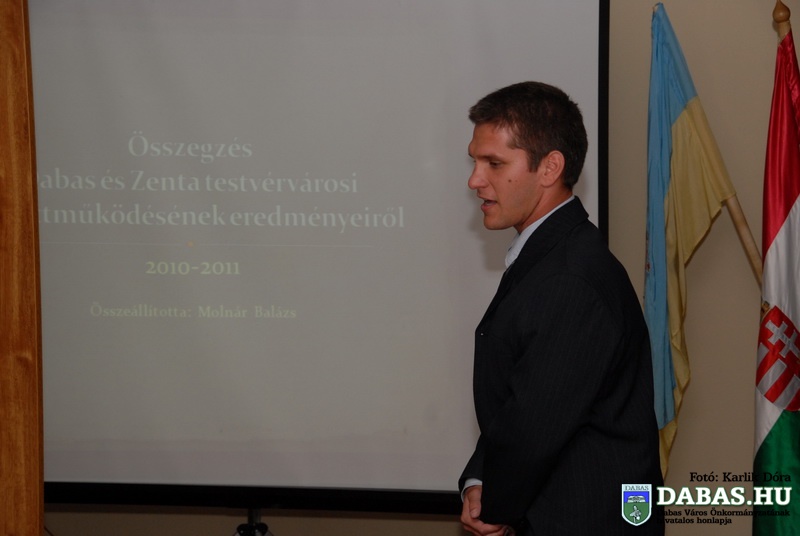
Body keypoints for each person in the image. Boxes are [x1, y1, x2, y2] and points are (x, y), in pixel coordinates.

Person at [459, 81, 664, 535]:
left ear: (550, 167)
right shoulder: (552, 255)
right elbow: (519, 402)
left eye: (494, 163)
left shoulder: (570, 277)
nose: (475, 179)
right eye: (474, 161)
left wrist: (495, 503)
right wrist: (480, 479)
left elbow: (533, 426)